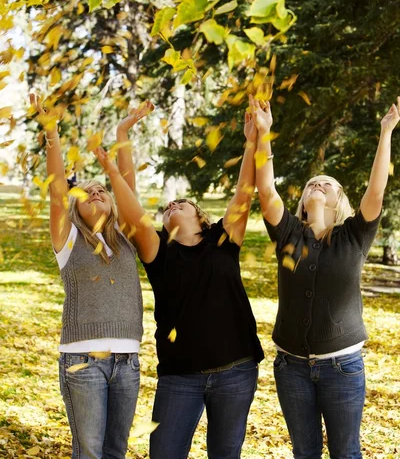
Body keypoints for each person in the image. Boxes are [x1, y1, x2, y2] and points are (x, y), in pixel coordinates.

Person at [94, 100, 264, 459]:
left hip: (236, 370)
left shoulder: (223, 238)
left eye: (182, 204)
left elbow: (244, 191)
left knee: (225, 454)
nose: (173, 206)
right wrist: (119, 143)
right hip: (179, 377)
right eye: (168, 206)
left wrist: (252, 141)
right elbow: (130, 205)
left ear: (201, 218)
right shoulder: (158, 251)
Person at [251, 94, 400, 459]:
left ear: (339, 200)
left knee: (345, 452)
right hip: (291, 366)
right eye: (311, 183)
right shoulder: (287, 233)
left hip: (343, 366)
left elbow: (376, 190)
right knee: (305, 453)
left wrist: (386, 131)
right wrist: (264, 134)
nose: (317, 185)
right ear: (302, 200)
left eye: (327, 184)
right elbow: (266, 190)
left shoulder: (354, 234)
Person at [30, 93, 144, 459]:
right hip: (82, 362)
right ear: (77, 206)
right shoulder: (69, 239)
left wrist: (124, 130)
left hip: (127, 361)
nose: (96, 192)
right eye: (87, 192)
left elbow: (127, 183)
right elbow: (57, 191)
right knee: (90, 453)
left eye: (102, 192)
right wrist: (52, 135)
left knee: (116, 451)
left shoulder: (127, 237)